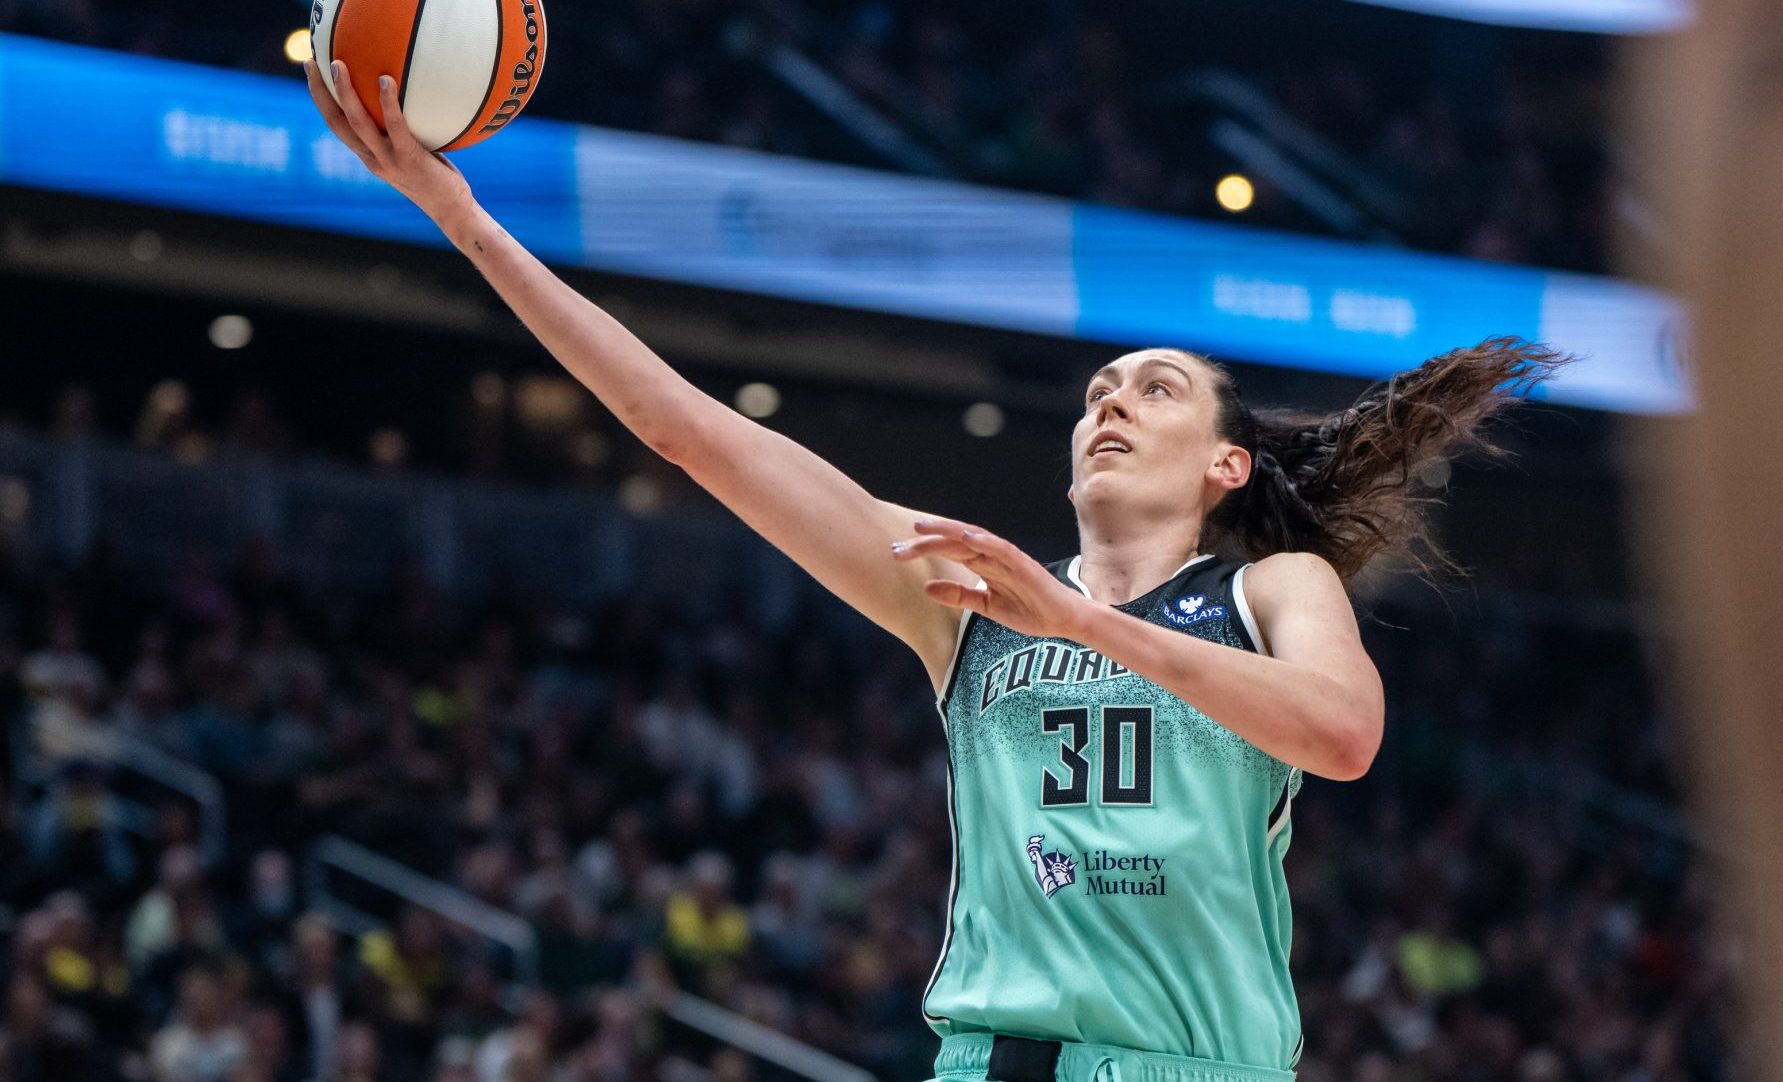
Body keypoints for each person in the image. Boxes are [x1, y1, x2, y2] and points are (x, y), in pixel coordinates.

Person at [302, 61, 1564, 1082]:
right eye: (1096, 390)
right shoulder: (965, 593)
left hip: (1199, 1062)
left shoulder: (1269, 588)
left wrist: (1073, 615)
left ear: (1228, 465)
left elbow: (1342, 733)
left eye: (1155, 387)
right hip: (984, 1057)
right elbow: (688, 430)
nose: (1112, 401)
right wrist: (464, 223)